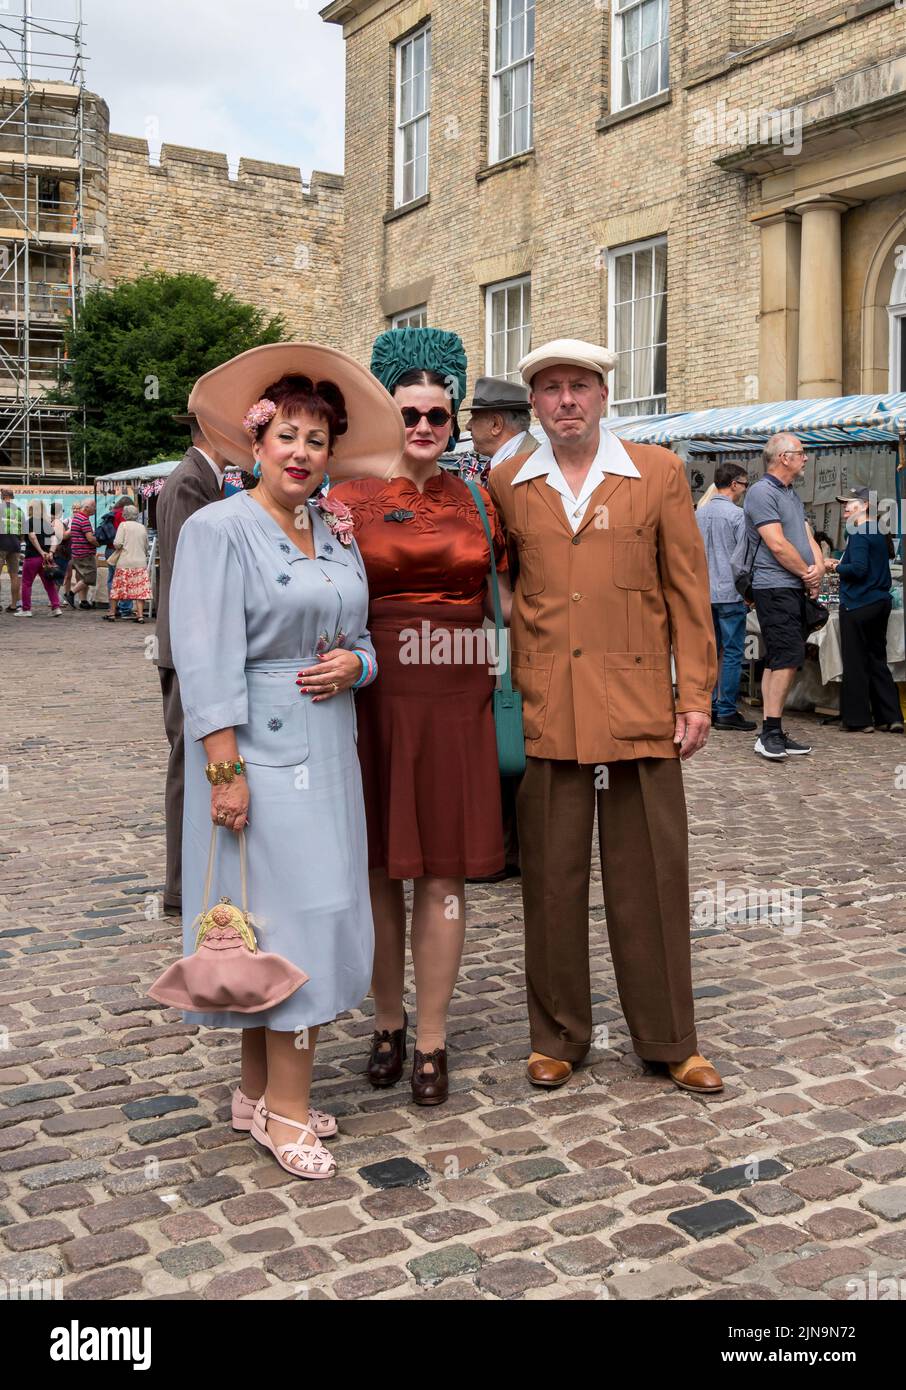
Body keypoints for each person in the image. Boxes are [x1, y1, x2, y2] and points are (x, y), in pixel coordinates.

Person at [169, 344, 402, 1181]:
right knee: (290, 923)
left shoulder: (335, 532)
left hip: (329, 751)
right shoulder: (217, 529)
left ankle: (256, 1094)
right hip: (258, 758)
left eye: (317, 440)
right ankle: (289, 1112)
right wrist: (223, 770)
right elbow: (200, 655)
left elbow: (362, 639)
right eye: (287, 437)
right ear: (256, 443)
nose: (302, 453)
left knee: (303, 913)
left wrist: (360, 667)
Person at [488, 338, 722, 1095]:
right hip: (550, 705)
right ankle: (557, 1035)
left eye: (579, 387)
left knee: (653, 876)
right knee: (550, 882)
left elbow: (688, 592)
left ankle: (670, 1039)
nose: (565, 401)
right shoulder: (508, 482)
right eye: (551, 389)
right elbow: (503, 594)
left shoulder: (656, 473)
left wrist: (695, 696)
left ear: (602, 395)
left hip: (640, 706)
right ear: (534, 403)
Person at [330, 328, 508, 1106]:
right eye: (411, 413)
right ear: (387, 412)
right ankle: (387, 1023)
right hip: (372, 696)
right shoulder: (344, 496)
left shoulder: (479, 496)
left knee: (442, 874)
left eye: (440, 415)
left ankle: (433, 1040)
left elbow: (515, 592)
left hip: (459, 699)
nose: (426, 427)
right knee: (378, 871)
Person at [462, 375, 539, 880]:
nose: (467, 429)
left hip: (515, 622)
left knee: (509, 729)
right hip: (517, 619)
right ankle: (513, 846)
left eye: (472, 420)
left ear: (494, 422)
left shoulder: (512, 471)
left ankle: (511, 849)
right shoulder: (519, 462)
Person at [155, 415, 230, 916]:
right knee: (189, 762)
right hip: (189, 646)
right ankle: (181, 888)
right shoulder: (189, 481)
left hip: (193, 644)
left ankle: (198, 878)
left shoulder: (202, 478)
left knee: (198, 761)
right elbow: (193, 570)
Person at [742, 433, 825, 761]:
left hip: (791, 586)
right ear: (783, 458)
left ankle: (772, 728)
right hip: (773, 586)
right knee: (787, 655)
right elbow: (776, 545)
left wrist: (817, 569)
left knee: (781, 656)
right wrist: (808, 573)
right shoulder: (762, 492)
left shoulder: (790, 494)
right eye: (801, 453)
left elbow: (806, 535)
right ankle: (770, 733)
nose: (805, 458)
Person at [825, 488, 903, 733]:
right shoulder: (879, 531)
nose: (845, 508)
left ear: (865, 506)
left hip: (859, 604)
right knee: (877, 659)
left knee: (856, 661)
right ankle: (890, 717)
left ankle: (859, 719)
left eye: (850, 503)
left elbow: (858, 569)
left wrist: (834, 567)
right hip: (880, 602)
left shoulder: (859, 532)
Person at [695, 462, 756, 731]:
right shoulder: (737, 516)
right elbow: (742, 559)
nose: (744, 489)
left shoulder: (699, 513)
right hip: (730, 592)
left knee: (709, 652)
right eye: (744, 484)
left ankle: (706, 705)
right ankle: (726, 710)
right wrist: (748, 591)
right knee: (731, 652)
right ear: (734, 484)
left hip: (703, 592)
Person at [460, 376, 538, 487]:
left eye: (474, 417)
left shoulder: (536, 468)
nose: (468, 426)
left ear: (496, 424)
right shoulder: (498, 466)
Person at [105, 504, 151, 623]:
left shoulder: (123, 525)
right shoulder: (142, 527)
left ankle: (112, 613)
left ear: (125, 515)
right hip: (140, 562)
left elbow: (118, 543)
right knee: (139, 590)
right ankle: (140, 615)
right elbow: (146, 546)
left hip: (125, 561)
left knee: (118, 588)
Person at [17, 501, 62, 617]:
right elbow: (54, 539)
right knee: (49, 583)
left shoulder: (29, 522)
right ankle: (56, 607)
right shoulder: (46, 523)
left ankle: (26, 609)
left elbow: (32, 537)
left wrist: (41, 552)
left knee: (27, 583)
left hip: (32, 557)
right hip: (46, 559)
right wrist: (51, 552)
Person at [68, 498, 98, 608]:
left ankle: (83, 601)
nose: (95, 509)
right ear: (87, 508)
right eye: (93, 507)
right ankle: (70, 593)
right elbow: (90, 538)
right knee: (89, 577)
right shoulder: (84, 520)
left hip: (77, 552)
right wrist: (98, 543)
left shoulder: (76, 518)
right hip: (85, 553)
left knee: (82, 577)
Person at [0, 487, 24, 612]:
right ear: (12, 497)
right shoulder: (19, 511)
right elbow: (22, 532)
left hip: (1, 543)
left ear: (2, 497)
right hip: (15, 544)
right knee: (14, 576)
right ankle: (14, 605)